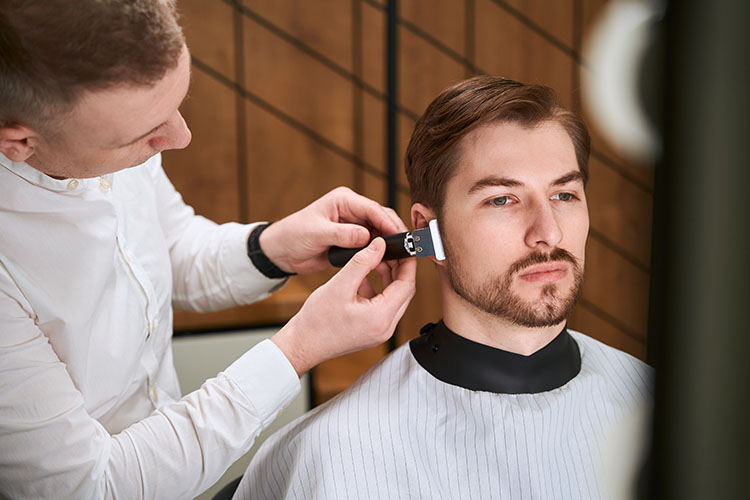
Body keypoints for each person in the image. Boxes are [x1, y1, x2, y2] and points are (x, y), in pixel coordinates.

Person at [0, 1, 416, 499]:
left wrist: (271, 248)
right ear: (19, 141)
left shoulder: (107, 131)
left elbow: (166, 247)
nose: (181, 136)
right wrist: (298, 349)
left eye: (177, 102)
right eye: (144, 134)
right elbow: (92, 487)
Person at [236, 76, 654, 499]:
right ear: (426, 231)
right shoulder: (334, 450)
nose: (547, 233)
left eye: (564, 195)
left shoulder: (663, 409)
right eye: (501, 200)